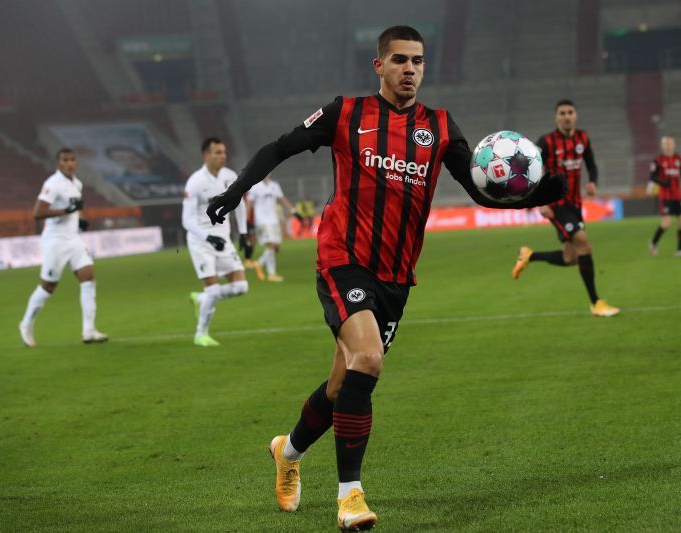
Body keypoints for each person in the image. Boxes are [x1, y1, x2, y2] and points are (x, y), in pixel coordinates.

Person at [206, 26, 565, 530]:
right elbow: (281, 147)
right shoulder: (345, 114)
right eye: (399, 60)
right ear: (379, 66)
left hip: (396, 275)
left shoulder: (440, 127)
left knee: (341, 385)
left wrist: (538, 194)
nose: (410, 70)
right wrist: (236, 190)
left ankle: (287, 452)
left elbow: (481, 191)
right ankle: (349, 497)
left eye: (417, 61)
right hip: (342, 257)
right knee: (369, 359)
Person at [511, 99, 620, 318]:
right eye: (562, 113)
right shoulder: (547, 142)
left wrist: (593, 182)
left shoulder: (583, 138)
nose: (567, 116)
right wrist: (540, 202)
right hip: (557, 205)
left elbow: (592, 164)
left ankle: (529, 255)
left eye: (570, 112)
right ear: (556, 117)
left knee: (571, 258)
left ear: (576, 116)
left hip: (575, 204)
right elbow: (529, 168)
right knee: (585, 246)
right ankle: (596, 303)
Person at [18, 148, 108, 347]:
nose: (70, 163)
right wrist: (65, 211)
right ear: (58, 163)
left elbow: (78, 207)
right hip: (55, 240)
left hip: (73, 239)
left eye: (73, 159)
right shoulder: (52, 184)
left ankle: (89, 330)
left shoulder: (77, 183)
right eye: (66, 160)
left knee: (88, 277)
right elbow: (38, 212)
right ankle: (26, 324)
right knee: (48, 286)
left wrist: (81, 220)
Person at [182, 137, 249, 347]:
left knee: (241, 286)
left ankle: (203, 299)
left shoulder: (230, 177)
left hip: (224, 240)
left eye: (224, 152)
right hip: (201, 242)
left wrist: (244, 234)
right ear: (206, 155)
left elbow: (240, 205)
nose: (222, 156)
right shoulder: (195, 182)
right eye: (217, 152)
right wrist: (207, 237)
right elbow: (187, 219)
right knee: (212, 289)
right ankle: (201, 333)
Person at [647, 136, 681, 257]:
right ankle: (653, 243)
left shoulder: (679, 159)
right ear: (662, 145)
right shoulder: (657, 160)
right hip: (665, 197)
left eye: (670, 143)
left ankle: (680, 250)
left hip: (678, 196)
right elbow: (652, 177)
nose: (668, 145)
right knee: (666, 224)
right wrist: (662, 182)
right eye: (665, 143)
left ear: (674, 145)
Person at [245, 176, 299, 282]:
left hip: (274, 220)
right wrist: (247, 220)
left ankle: (268, 272)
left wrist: (293, 211)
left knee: (276, 247)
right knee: (271, 245)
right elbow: (249, 203)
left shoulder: (274, 186)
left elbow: (282, 199)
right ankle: (263, 266)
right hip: (262, 221)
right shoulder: (255, 187)